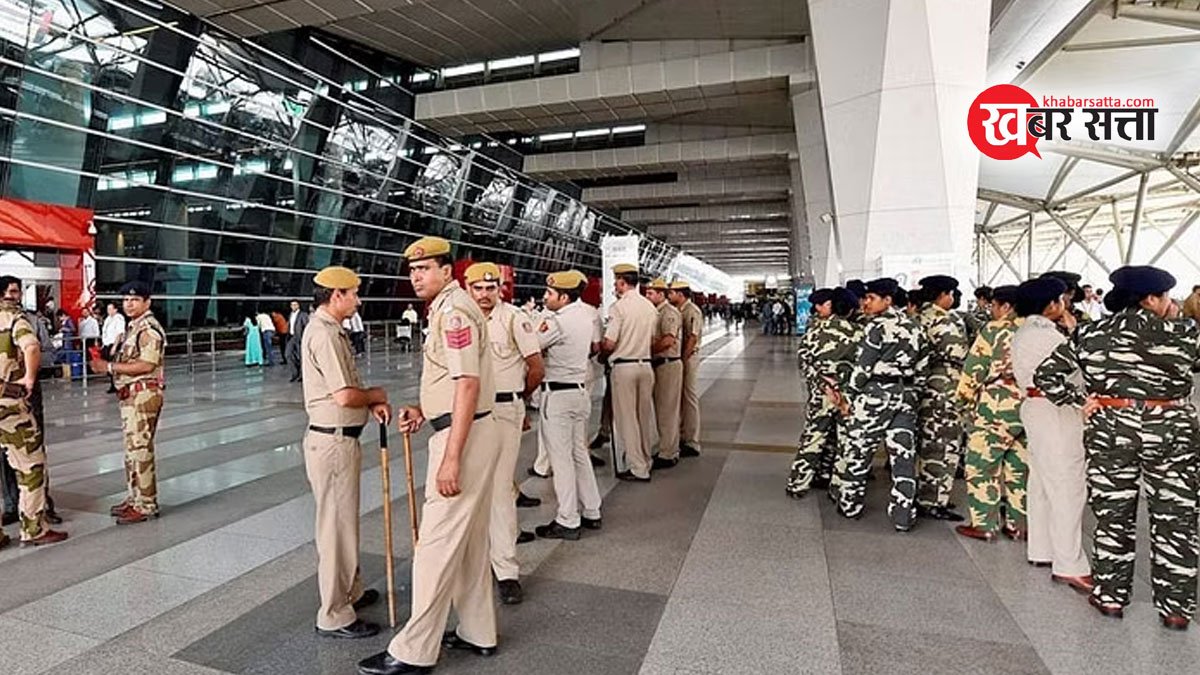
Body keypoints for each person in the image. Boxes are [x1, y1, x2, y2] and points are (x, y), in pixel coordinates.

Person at [360, 237, 500, 675]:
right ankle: (479, 631)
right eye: (412, 270)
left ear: (448, 271)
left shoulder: (454, 311)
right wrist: (424, 410)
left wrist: (451, 457)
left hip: (466, 437)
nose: (416, 275)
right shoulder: (446, 308)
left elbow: (467, 385)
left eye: (426, 268)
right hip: (473, 427)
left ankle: (413, 651)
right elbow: (455, 380)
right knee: (472, 541)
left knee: (436, 546)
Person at [1035, 265, 1200, 629]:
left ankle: (1110, 597)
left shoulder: (1091, 333)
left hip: (1111, 429)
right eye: (1166, 297)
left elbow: (1045, 376)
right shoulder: (1186, 334)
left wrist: (1081, 400)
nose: (1170, 303)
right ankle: (1175, 609)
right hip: (1171, 431)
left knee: (1113, 516)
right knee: (1176, 518)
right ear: (1151, 298)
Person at [301, 266, 390, 640]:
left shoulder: (332, 329)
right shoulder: (324, 334)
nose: (358, 299)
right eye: (353, 293)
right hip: (333, 442)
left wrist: (368, 405)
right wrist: (375, 395)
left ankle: (349, 592)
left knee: (343, 522)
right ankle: (335, 613)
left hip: (339, 438)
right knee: (336, 528)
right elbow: (344, 395)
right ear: (336, 295)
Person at [464, 262, 544, 605]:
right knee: (468, 488)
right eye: (478, 289)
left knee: (499, 490)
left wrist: (521, 402)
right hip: (468, 413)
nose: (484, 295)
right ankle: (474, 561)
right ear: (467, 288)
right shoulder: (459, 319)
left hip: (503, 409)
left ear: (500, 288)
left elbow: (536, 366)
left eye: (490, 288)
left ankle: (506, 570)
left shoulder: (513, 318)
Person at [1011, 276, 1091, 592]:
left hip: (1035, 408)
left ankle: (1042, 550)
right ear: (1051, 304)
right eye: (1062, 300)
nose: (1066, 305)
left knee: (1043, 483)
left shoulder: (1027, 331)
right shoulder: (1046, 335)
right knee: (1067, 487)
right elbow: (1080, 365)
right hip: (1055, 411)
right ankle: (1069, 563)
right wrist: (1075, 332)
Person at [831, 278, 928, 531]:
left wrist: (848, 396)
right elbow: (923, 366)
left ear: (887, 300)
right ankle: (903, 516)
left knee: (858, 451)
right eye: (865, 298)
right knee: (903, 458)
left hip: (875, 396)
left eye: (871, 298)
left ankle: (850, 506)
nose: (865, 303)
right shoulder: (915, 325)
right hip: (905, 396)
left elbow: (863, 368)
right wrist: (913, 395)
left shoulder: (875, 327)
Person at [532, 269, 604, 543]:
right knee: (579, 454)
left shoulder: (557, 321)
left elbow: (532, 344)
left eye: (549, 294)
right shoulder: (586, 316)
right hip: (578, 392)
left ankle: (568, 519)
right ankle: (592, 510)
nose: (545, 297)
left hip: (558, 396)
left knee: (561, 459)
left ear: (563, 297)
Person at [953, 285, 1028, 542]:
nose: (993, 311)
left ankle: (984, 523)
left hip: (998, 407)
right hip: (1031, 407)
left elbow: (974, 370)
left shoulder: (996, 330)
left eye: (995, 306)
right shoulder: (1039, 328)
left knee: (982, 465)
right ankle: (1019, 525)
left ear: (1006, 306)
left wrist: (962, 402)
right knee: (1020, 468)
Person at [88, 281, 166, 525]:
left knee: (140, 450)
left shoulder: (149, 329)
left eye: (134, 300)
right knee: (132, 450)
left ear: (147, 302)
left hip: (143, 395)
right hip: (131, 396)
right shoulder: (133, 327)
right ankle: (135, 498)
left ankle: (146, 504)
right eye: (125, 300)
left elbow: (147, 365)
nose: (128, 304)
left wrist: (109, 367)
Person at [0, 277, 68, 549]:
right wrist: (28, 378)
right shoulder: (15, 319)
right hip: (8, 404)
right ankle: (34, 528)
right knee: (31, 465)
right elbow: (31, 346)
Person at [787, 288, 860, 498]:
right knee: (845, 442)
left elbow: (804, 363)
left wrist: (823, 385)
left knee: (813, 437)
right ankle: (837, 487)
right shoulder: (858, 333)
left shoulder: (814, 332)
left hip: (821, 395)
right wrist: (842, 389)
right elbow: (864, 367)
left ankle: (798, 484)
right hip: (846, 397)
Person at [915, 275, 969, 522]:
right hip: (943, 389)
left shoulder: (918, 317)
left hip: (925, 389)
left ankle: (929, 494)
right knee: (943, 446)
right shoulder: (942, 322)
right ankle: (933, 501)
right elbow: (960, 354)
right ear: (944, 295)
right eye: (951, 294)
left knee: (929, 445)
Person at [601, 264, 657, 482]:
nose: (615, 286)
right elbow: (652, 340)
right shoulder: (649, 306)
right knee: (643, 416)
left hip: (624, 368)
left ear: (623, 283)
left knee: (627, 419)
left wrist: (602, 356)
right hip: (646, 366)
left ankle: (637, 467)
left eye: (616, 282)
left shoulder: (618, 308)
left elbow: (610, 342)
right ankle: (646, 459)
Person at [646, 279, 683, 469]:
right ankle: (666, 446)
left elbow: (668, 340)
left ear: (661, 294)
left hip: (668, 364)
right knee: (661, 409)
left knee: (667, 410)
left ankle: (669, 453)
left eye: (651, 293)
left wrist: (648, 351)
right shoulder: (655, 313)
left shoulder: (669, 313)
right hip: (659, 365)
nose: (647, 296)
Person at [670, 281, 704, 458]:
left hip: (688, 358)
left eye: (672, 292)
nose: (669, 295)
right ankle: (683, 435)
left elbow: (692, 337)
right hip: (683, 357)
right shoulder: (679, 311)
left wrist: (683, 359)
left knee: (689, 396)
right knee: (682, 397)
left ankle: (692, 440)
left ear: (681, 294)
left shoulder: (692, 311)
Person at [102, 302, 126, 393]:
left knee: (115, 365)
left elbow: (120, 333)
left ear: (115, 309)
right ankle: (113, 384)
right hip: (107, 344)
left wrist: (115, 346)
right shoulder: (108, 319)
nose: (109, 311)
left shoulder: (119, 318)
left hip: (114, 344)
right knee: (109, 366)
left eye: (111, 309)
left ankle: (119, 385)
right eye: (108, 309)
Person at [287, 301, 310, 382]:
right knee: (288, 354)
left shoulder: (303, 314)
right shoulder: (290, 314)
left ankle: (301, 375)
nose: (293, 306)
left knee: (300, 357)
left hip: (300, 337)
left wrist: (305, 338)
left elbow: (307, 326)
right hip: (292, 337)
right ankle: (294, 374)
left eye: (295, 305)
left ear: (298, 305)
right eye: (292, 305)